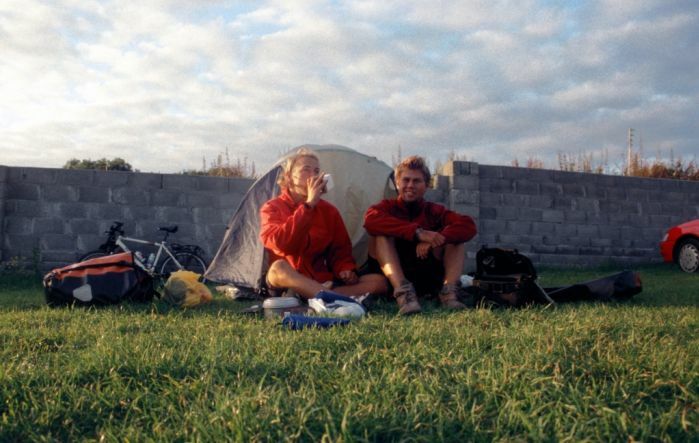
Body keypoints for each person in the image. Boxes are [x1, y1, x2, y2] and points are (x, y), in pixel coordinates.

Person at [260, 148, 388, 300]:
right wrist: (308, 207)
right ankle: (330, 297)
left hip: (322, 280)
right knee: (278, 268)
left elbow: (340, 250)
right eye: (306, 170)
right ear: (289, 177)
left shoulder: (328, 211)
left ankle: (321, 296)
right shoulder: (272, 207)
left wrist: (345, 269)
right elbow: (282, 244)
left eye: (316, 171)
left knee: (379, 282)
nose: (313, 175)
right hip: (290, 281)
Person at [363, 155, 477, 315]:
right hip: (393, 278)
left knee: (456, 240)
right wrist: (418, 233)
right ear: (397, 183)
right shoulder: (386, 207)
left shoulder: (434, 211)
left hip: (426, 274)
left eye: (416, 181)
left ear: (426, 185)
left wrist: (435, 239)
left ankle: (449, 293)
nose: (410, 185)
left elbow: (468, 225)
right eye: (406, 180)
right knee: (381, 235)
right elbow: (370, 221)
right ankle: (404, 295)